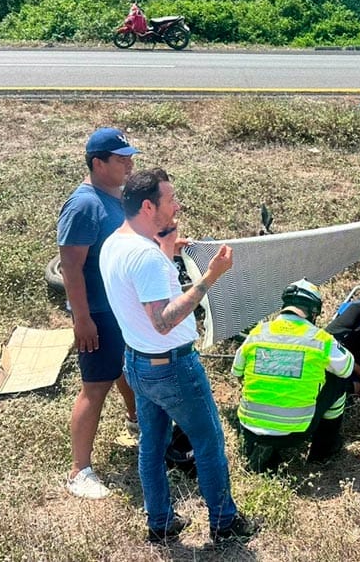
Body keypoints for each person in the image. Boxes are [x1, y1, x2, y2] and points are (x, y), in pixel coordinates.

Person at [99, 168, 257, 545]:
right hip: (172, 367)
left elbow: (145, 302)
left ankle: (161, 522)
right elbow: (164, 321)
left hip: (137, 363)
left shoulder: (115, 244)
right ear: (149, 205)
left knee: (151, 446)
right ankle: (224, 522)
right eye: (171, 200)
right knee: (208, 442)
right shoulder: (146, 258)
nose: (178, 205)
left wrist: (166, 248)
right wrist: (211, 276)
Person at [232, 280, 360, 473]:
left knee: (339, 328)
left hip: (249, 429)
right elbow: (347, 371)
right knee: (338, 381)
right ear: (314, 311)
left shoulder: (257, 334)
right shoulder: (319, 339)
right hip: (295, 433)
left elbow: (238, 374)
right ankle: (324, 448)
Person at [58, 127, 140, 499]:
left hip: (119, 308)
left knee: (126, 368)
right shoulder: (84, 205)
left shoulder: (115, 198)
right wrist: (82, 318)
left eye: (129, 157)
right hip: (98, 312)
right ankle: (79, 471)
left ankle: (137, 421)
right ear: (97, 163)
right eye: (121, 159)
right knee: (95, 386)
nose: (129, 164)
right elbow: (71, 266)